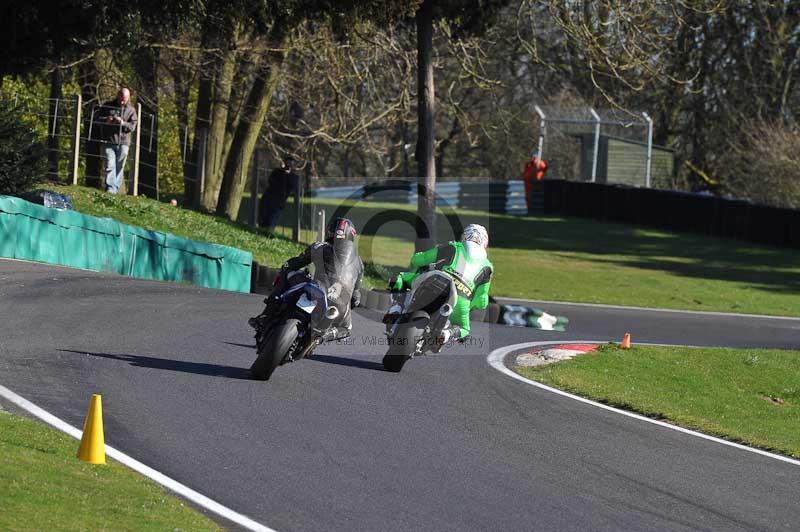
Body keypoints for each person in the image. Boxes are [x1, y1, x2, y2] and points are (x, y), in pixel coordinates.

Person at [253, 217, 363, 342]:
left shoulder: (320, 247)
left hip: (318, 288)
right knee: (346, 328)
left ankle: (267, 314)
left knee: (288, 273)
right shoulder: (359, 263)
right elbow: (356, 299)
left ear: (330, 231)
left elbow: (295, 264)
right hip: (339, 303)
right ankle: (324, 336)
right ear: (351, 236)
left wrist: (285, 268)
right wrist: (349, 302)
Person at [386, 224, 493, 350]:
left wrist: (414, 271)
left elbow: (418, 259)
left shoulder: (453, 247)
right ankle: (447, 334)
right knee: (464, 329)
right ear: (484, 243)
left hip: (435, 281)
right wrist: (470, 306)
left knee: (399, 278)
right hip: (460, 300)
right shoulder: (487, 267)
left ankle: (396, 309)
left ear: (465, 236)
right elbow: (481, 301)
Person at [97, 88, 138, 194]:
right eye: (121, 98)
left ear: (128, 98)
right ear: (118, 95)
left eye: (125, 99)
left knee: (120, 166)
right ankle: (110, 188)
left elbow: (133, 126)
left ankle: (115, 188)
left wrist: (123, 123)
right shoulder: (107, 106)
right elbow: (97, 118)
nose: (122, 101)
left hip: (124, 143)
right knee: (110, 164)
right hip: (108, 141)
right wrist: (107, 120)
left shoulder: (131, 110)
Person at [259, 158, 299, 231]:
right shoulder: (277, 171)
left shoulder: (294, 177)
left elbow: (291, 186)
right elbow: (271, 181)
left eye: (291, 164)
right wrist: (283, 172)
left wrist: (287, 174)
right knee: (264, 214)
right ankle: (261, 228)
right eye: (287, 163)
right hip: (269, 197)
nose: (288, 165)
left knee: (273, 217)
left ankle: (269, 230)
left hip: (280, 200)